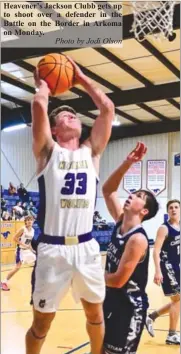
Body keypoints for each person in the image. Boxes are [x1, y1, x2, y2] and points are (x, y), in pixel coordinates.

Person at [25, 56, 114, 354]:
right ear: (55, 129)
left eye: (75, 115)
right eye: (64, 116)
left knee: (95, 314)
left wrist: (81, 79)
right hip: (53, 250)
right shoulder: (47, 151)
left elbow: (107, 109)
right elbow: (39, 106)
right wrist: (44, 85)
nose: (72, 116)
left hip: (87, 248)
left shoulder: (92, 152)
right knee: (42, 324)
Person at [102, 142, 159, 354]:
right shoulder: (119, 221)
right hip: (110, 300)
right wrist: (129, 163)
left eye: (137, 197)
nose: (131, 195)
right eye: (133, 193)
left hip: (128, 308)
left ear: (144, 211)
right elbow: (108, 190)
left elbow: (117, 280)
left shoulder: (138, 239)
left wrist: (90, 275)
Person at [145, 199, 180, 345]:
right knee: (178, 300)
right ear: (168, 211)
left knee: (177, 300)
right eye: (171, 208)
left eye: (176, 207)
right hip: (166, 267)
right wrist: (158, 271)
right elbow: (156, 251)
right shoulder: (164, 228)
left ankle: (151, 317)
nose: (173, 209)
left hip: (176, 266)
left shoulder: (179, 226)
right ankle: (171, 335)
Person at [1, 215, 36, 291]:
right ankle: (4, 282)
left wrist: (32, 250)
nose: (30, 221)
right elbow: (14, 238)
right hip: (20, 250)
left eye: (31, 220)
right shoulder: (23, 229)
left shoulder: (33, 230)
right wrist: (23, 245)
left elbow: (28, 242)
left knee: (37, 260)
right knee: (17, 268)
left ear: (33, 221)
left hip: (27, 250)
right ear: (25, 222)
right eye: (28, 220)